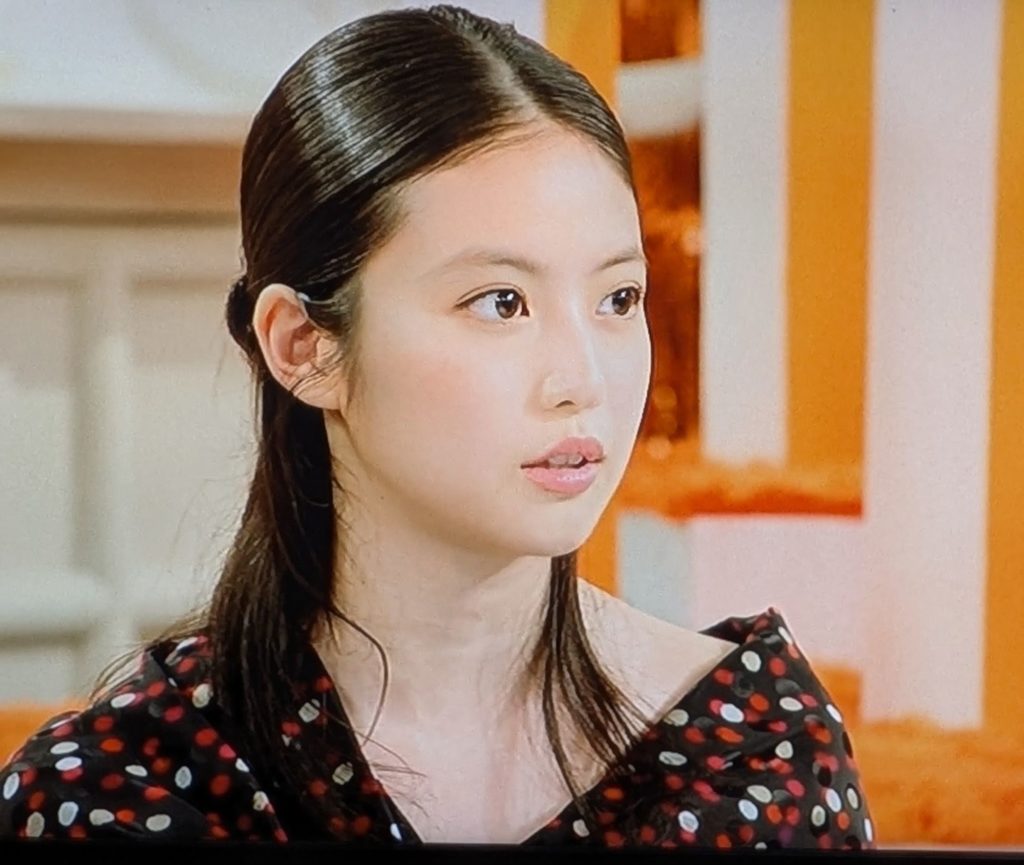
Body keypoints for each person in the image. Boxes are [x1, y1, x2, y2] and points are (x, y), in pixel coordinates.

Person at [0, 3, 874, 849]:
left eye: (617, 298)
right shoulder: (115, 795)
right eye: (501, 302)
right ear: (304, 345)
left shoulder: (757, 756)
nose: (583, 380)